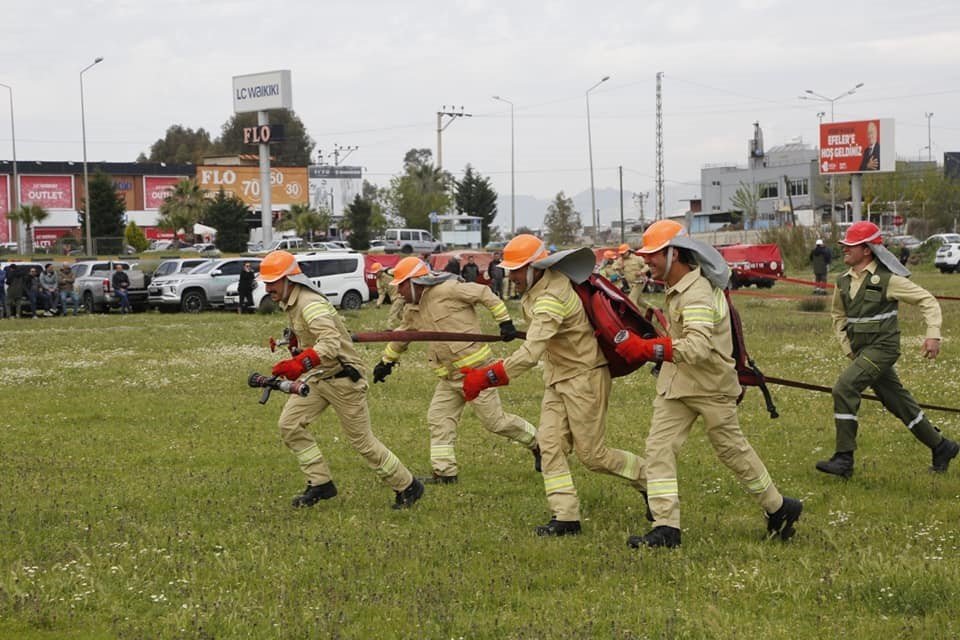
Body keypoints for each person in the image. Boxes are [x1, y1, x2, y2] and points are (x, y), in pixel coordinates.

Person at [614, 220, 802, 548]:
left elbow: (698, 347)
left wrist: (646, 349)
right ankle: (666, 528)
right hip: (677, 385)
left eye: (654, 255)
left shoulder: (698, 292)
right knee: (658, 449)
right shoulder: (678, 289)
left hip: (711, 386)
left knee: (732, 451)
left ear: (675, 254)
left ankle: (779, 507)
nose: (648, 262)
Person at [459, 235, 647, 537]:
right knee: (549, 445)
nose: (512, 277)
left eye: (517, 270)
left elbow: (531, 354)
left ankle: (649, 480)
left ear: (536, 267)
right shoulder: (540, 287)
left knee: (593, 456)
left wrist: (486, 377)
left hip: (584, 378)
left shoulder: (550, 297)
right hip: (559, 378)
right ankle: (566, 518)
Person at [260, 250, 425, 509]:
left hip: (343, 379)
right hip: (318, 377)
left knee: (362, 442)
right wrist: (296, 347)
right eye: (266, 282)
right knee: (289, 425)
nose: (268, 287)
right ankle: (320, 483)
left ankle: (408, 486)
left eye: (273, 281)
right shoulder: (291, 302)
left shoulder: (310, 303)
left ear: (289, 279)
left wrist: (299, 363)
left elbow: (330, 341)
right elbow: (314, 340)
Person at [372, 256, 540, 484]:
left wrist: (504, 322)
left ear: (415, 282)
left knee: (495, 423)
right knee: (438, 419)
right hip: (449, 378)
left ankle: (538, 443)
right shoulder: (413, 310)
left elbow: (485, 294)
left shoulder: (449, 289)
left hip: (477, 373)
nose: (399, 292)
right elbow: (403, 335)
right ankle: (445, 473)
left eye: (401, 285)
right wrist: (386, 362)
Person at [816, 221, 958, 478]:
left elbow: (927, 300)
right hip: (862, 353)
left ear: (867, 249)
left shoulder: (889, 279)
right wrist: (849, 349)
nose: (844, 249)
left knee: (844, 388)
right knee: (899, 403)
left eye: (850, 245)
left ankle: (844, 459)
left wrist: (933, 335)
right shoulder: (842, 281)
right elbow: (838, 316)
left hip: (883, 349)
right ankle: (942, 446)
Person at [372, 263, 406, 329]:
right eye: (373, 273)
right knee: (399, 315)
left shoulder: (390, 272)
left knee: (392, 312)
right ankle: (409, 323)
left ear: (380, 271)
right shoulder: (378, 281)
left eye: (376, 273)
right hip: (393, 298)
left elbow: (402, 276)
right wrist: (378, 304)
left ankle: (389, 328)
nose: (374, 275)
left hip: (400, 295)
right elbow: (381, 293)